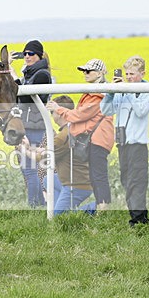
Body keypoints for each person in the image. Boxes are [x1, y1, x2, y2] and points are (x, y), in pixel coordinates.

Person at [46, 59, 114, 211]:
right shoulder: (94, 93)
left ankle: (102, 208)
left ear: (100, 73)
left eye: (88, 71)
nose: (85, 74)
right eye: (83, 71)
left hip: (98, 139)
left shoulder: (98, 95)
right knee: (95, 175)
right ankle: (100, 207)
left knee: (98, 175)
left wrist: (58, 109)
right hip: (94, 139)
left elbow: (79, 115)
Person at [100, 56, 149, 226]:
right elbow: (107, 110)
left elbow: (141, 111)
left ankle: (138, 220)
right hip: (122, 143)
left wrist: (128, 90)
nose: (128, 77)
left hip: (137, 143)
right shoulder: (122, 89)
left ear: (142, 73)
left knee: (137, 181)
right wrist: (110, 93)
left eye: (132, 74)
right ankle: (138, 216)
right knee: (126, 180)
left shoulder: (146, 89)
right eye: (127, 74)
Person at [13, 39, 52, 208]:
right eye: (25, 54)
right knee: (28, 169)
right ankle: (40, 205)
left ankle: (34, 206)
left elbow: (26, 97)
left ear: (39, 56)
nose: (27, 57)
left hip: (34, 126)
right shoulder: (30, 73)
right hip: (28, 125)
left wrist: (13, 76)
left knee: (30, 169)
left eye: (31, 54)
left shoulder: (41, 74)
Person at [49, 95, 95, 215]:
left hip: (76, 184)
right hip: (77, 180)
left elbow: (46, 156)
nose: (51, 116)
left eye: (52, 112)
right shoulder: (74, 128)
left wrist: (26, 150)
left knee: (59, 218)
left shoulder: (64, 135)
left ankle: (97, 206)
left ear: (59, 113)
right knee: (47, 180)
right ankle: (59, 207)